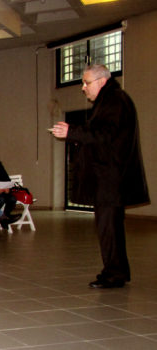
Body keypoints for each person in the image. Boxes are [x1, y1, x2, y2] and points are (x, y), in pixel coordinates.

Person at [52, 64, 149, 289]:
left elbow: (106, 135)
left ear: (102, 81)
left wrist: (72, 132)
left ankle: (115, 273)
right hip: (109, 176)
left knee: (109, 227)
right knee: (109, 227)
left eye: (86, 83)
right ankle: (115, 270)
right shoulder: (111, 101)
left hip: (110, 177)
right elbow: (101, 134)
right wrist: (74, 132)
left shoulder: (114, 101)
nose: (83, 88)